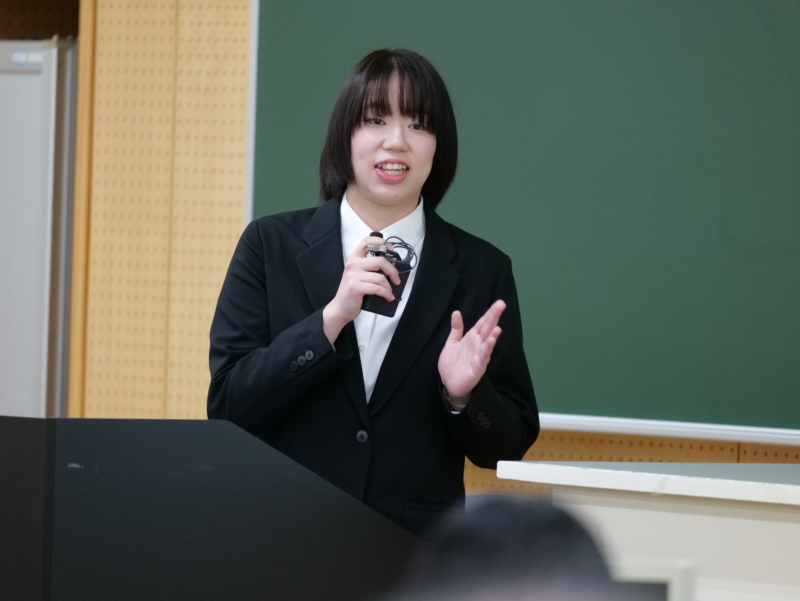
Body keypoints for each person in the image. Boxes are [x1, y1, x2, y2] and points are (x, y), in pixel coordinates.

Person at [207, 49, 539, 538]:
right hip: (285, 538)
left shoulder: (482, 270)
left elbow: (508, 446)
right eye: (376, 120)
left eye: (418, 125)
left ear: (439, 146)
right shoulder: (268, 245)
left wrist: (464, 396)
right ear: (346, 134)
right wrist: (329, 321)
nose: (396, 141)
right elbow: (229, 407)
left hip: (413, 550)